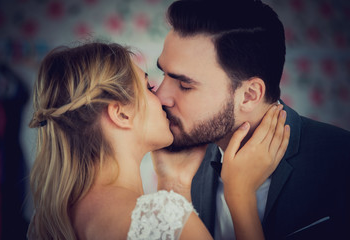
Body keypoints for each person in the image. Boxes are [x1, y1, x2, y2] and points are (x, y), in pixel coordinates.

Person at [27, 42, 290, 240]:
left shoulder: (47, 222)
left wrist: (174, 182)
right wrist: (240, 192)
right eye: (149, 87)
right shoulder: (161, 217)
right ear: (121, 113)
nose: (163, 97)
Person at [153, 0, 350, 239]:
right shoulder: (181, 167)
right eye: (163, 74)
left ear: (249, 95)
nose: (160, 96)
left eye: (185, 85)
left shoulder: (341, 159)